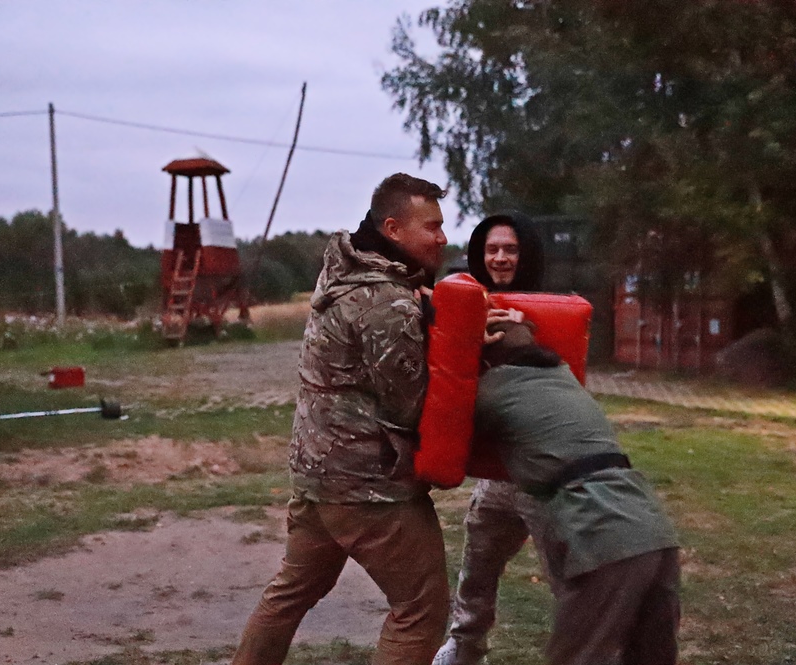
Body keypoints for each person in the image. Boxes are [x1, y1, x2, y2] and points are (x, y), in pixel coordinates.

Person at [231, 173, 451, 665]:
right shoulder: (387, 300)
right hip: (366, 484)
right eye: (432, 226)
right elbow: (410, 404)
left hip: (317, 474)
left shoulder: (343, 274)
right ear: (393, 229)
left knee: (290, 594)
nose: (442, 237)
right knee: (420, 610)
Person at [475, 321, 681, 665]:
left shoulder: (493, 389)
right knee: (650, 657)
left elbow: (430, 419)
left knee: (578, 656)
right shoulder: (564, 375)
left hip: (603, 533)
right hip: (653, 526)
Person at [434, 212, 552, 665]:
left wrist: (523, 338)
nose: (501, 258)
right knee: (478, 566)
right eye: (492, 249)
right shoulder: (466, 305)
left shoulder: (553, 309)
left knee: (570, 575)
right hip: (498, 472)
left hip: (544, 471)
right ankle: (465, 648)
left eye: (511, 249)